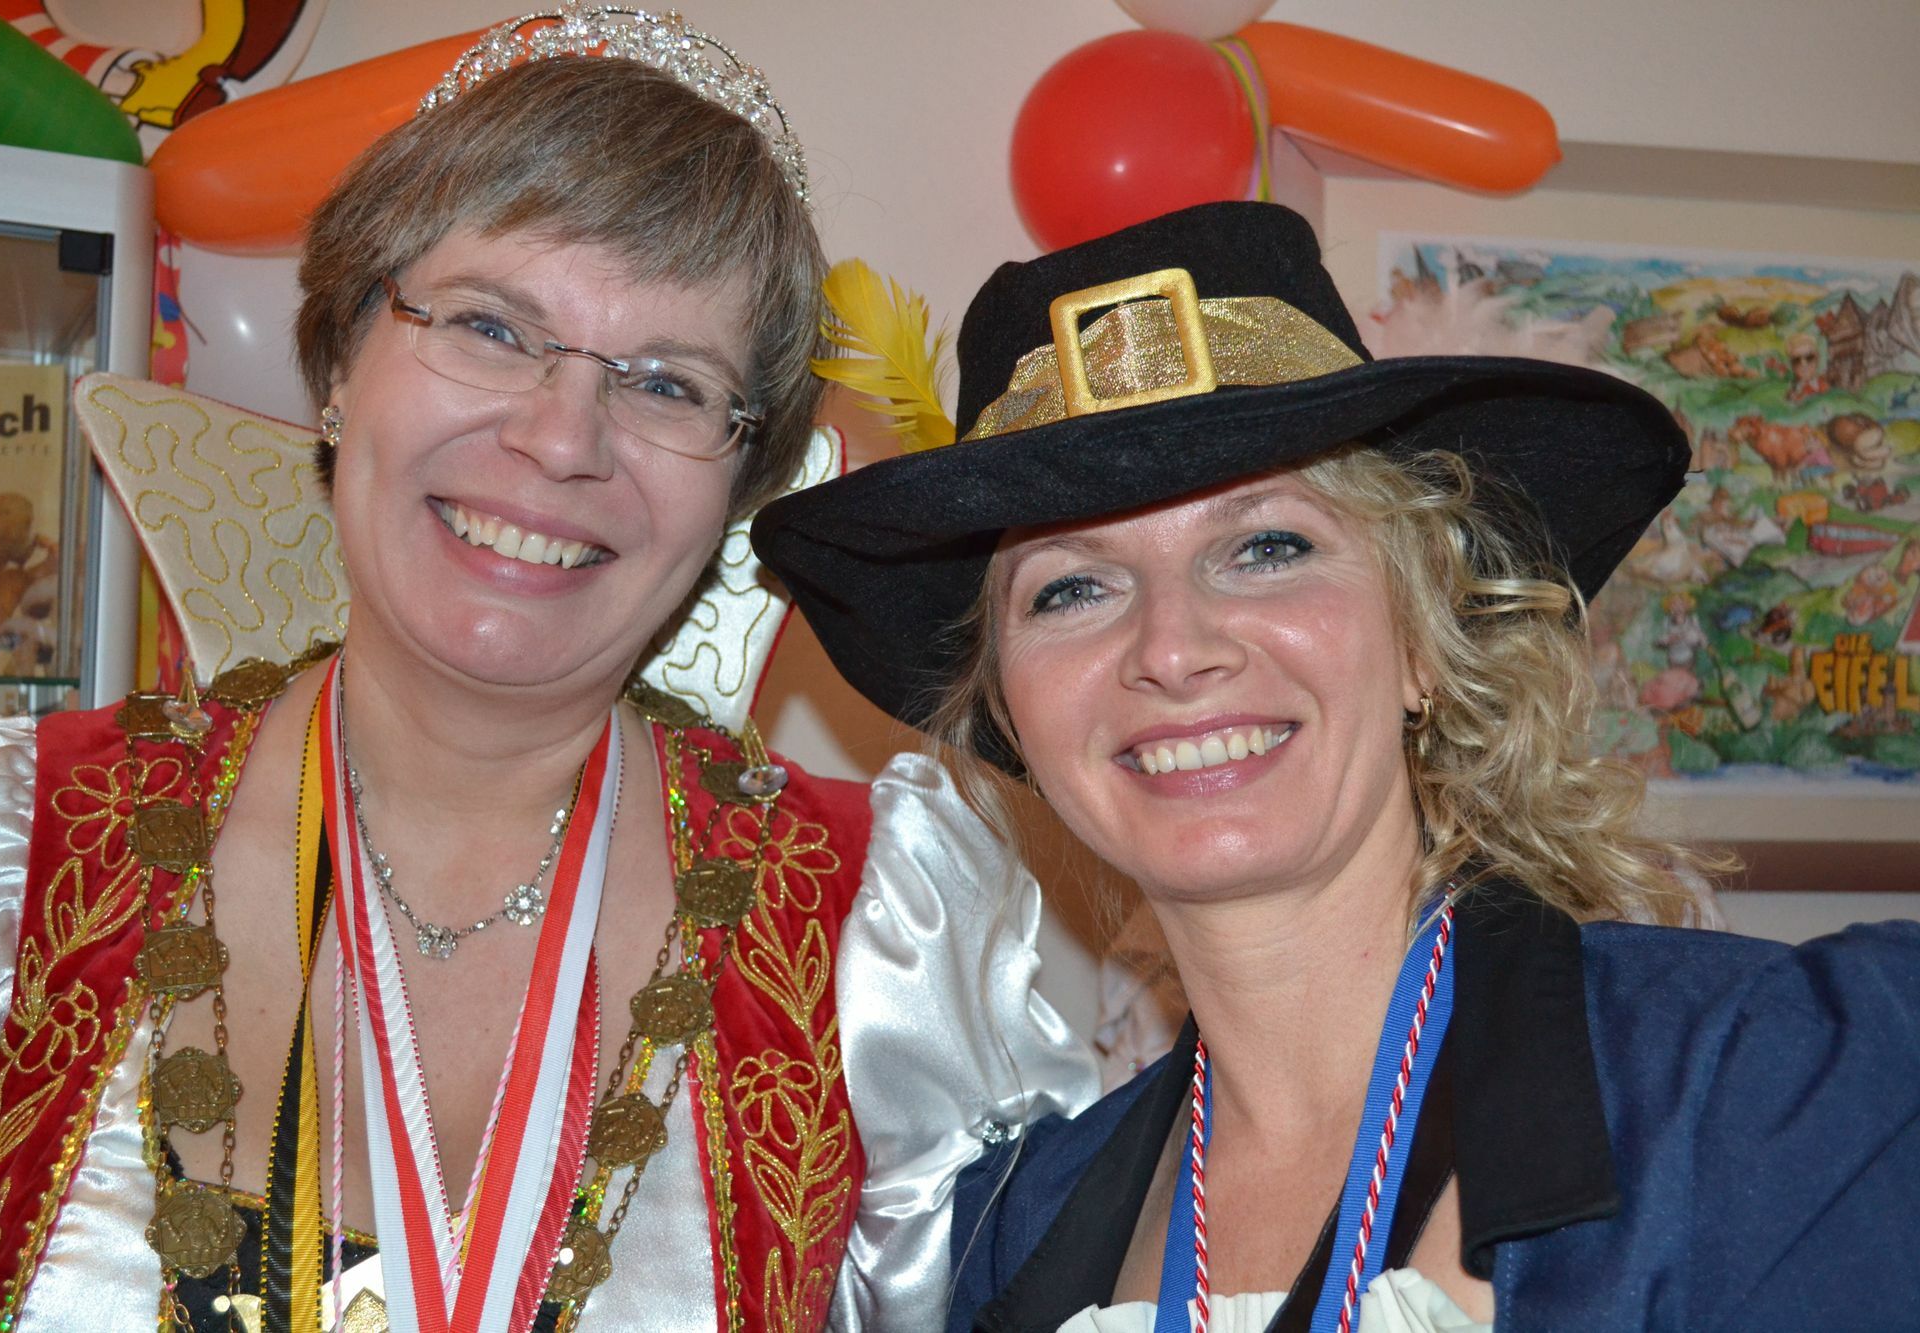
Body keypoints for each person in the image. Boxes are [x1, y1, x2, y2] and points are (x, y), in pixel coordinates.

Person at [0, 10, 1093, 1332]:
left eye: (667, 384)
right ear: (340, 361)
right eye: (489, 326)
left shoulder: (880, 935)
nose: (560, 438)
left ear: (738, 488)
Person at [751, 202, 1920, 1332]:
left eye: (1265, 547)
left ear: (1424, 634)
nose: (1171, 648)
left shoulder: (1787, 1086)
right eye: (1071, 588)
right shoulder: (1005, 1231)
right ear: (1010, 707)